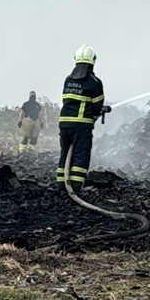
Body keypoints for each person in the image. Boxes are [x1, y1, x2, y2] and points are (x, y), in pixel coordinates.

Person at [57, 45, 110, 191]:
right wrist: (100, 112)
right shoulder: (94, 82)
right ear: (93, 60)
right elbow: (96, 107)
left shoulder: (68, 80)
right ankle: (75, 187)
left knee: (64, 154)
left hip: (64, 123)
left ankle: (61, 185)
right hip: (81, 126)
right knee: (80, 156)